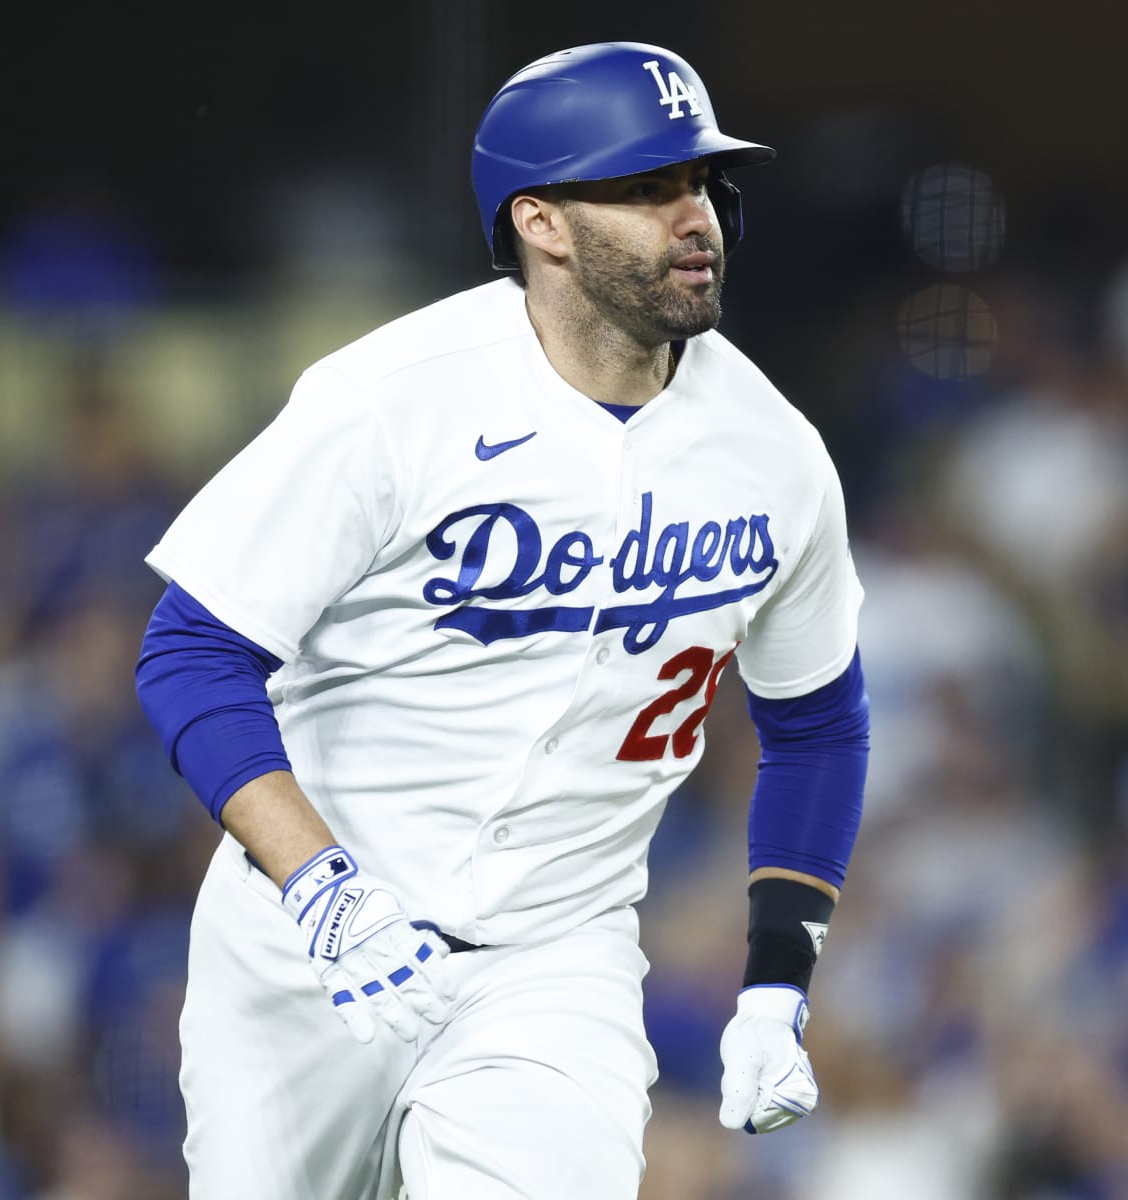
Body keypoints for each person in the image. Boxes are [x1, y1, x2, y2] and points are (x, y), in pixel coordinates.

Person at [134, 41, 869, 1199]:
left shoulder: (774, 454)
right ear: (542, 222)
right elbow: (191, 651)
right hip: (306, 946)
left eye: (703, 183)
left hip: (553, 961)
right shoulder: (394, 399)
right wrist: (322, 887)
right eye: (645, 188)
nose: (697, 217)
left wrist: (778, 978)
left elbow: (818, 723)